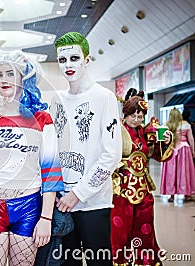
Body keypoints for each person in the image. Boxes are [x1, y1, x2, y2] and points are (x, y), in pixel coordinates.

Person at [0, 50, 64, 266]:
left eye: (10, 73)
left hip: (28, 207)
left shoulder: (42, 119)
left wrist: (46, 218)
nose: (4, 79)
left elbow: (51, 172)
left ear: (24, 77)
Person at [46, 32, 122, 266]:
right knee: (66, 263)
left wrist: (78, 194)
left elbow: (112, 154)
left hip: (93, 202)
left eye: (74, 58)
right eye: (62, 60)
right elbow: (50, 150)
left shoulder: (104, 97)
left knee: (99, 261)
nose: (68, 65)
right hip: (61, 202)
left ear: (87, 60)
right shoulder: (56, 100)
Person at [111, 89, 173, 265]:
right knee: (120, 230)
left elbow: (158, 156)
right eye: (133, 116)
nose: (137, 120)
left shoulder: (146, 132)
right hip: (121, 189)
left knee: (145, 229)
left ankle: (145, 261)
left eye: (140, 116)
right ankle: (120, 261)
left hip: (143, 188)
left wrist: (165, 140)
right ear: (126, 114)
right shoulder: (116, 130)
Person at [160, 108, 195, 205]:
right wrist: (193, 151)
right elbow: (191, 139)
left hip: (171, 150)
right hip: (184, 150)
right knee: (184, 172)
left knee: (171, 173)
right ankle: (187, 194)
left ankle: (171, 195)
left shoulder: (167, 125)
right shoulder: (186, 124)